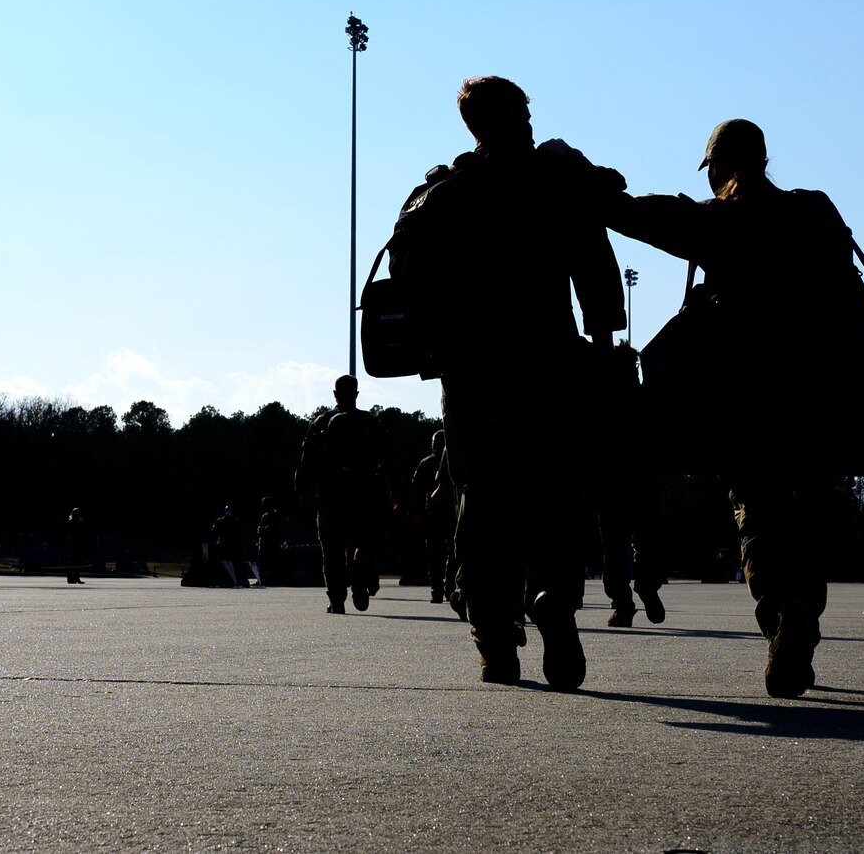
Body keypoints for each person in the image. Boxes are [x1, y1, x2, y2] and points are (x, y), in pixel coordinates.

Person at [603, 118, 864, 697]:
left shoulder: (714, 220)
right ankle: (804, 612)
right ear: (766, 158)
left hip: (746, 398)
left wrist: (580, 176)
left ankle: (781, 612)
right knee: (807, 514)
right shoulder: (815, 209)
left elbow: (632, 215)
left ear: (720, 166)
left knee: (759, 513)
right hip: (817, 393)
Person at [393, 76, 625, 688]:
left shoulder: (442, 192)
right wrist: (603, 344)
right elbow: (596, 266)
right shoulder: (551, 180)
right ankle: (553, 598)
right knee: (555, 496)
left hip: (472, 374)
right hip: (548, 362)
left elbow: (407, 280)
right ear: (519, 114)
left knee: (484, 504)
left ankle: (496, 640)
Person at [295, 376, 387, 614]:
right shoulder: (370, 422)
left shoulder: (321, 422)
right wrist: (394, 489)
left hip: (330, 494)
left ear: (335, 394)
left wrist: (304, 490)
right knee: (364, 541)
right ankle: (359, 571)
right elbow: (386, 458)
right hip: (363, 493)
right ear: (356, 394)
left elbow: (307, 460)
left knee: (331, 548)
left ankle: (337, 599)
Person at [597, 346, 667, 627]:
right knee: (646, 542)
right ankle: (647, 585)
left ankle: (622, 604)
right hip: (645, 482)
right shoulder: (648, 398)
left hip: (612, 485)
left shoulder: (604, 404)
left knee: (615, 547)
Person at [411, 430, 456, 605]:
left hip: (439, 513)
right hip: (440, 514)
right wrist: (416, 511)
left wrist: (416, 511)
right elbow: (417, 491)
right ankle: (444, 588)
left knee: (438, 554)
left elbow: (416, 491)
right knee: (445, 553)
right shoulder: (429, 464)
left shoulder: (428, 463)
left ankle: (440, 589)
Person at [209, 506, 247, 589]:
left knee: (231, 564)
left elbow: (240, 534)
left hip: (230, 545)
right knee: (223, 564)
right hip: (225, 545)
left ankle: (229, 580)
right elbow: (213, 531)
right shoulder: (222, 521)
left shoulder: (233, 521)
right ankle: (223, 580)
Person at [255, 497, 284, 589]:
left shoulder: (274, 515)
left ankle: (271, 579)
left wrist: (262, 529)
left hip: (271, 542)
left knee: (271, 562)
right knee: (262, 562)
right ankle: (261, 579)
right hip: (263, 542)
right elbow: (260, 527)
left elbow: (271, 528)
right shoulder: (265, 515)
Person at [64, 507, 92, 585]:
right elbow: (67, 534)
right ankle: (70, 578)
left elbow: (83, 533)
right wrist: (71, 541)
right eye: (78, 513)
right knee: (72, 562)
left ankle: (77, 577)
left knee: (78, 562)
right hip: (72, 544)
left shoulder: (80, 522)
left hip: (79, 544)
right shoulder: (70, 522)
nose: (80, 514)